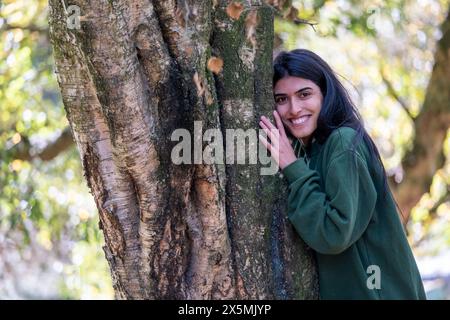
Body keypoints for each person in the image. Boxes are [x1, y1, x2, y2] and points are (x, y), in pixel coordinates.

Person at [258, 49, 426, 300]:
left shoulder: (343, 142)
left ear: (326, 93)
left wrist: (293, 167)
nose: (294, 108)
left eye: (304, 94)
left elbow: (335, 233)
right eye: (281, 99)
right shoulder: (313, 149)